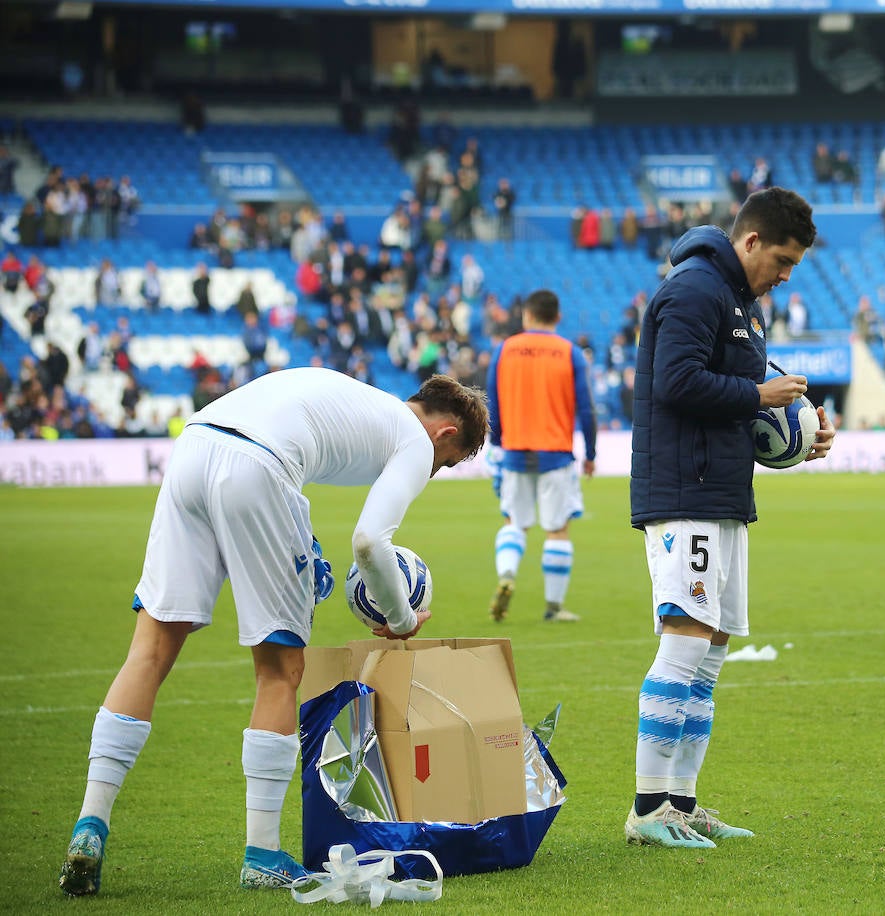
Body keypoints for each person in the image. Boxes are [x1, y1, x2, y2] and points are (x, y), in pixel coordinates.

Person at [58, 368, 489, 897]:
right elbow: (370, 542)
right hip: (258, 465)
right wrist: (400, 620)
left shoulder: (360, 398)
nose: (431, 472)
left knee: (148, 651)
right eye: (443, 466)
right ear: (446, 435)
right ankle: (262, 852)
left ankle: (90, 823)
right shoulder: (414, 440)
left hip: (194, 444)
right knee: (281, 671)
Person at [624, 187, 835, 849]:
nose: (786, 274)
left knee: (710, 656)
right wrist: (758, 394)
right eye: (782, 258)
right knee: (684, 645)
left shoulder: (742, 302)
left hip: (721, 495)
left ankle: (682, 804)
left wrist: (798, 437)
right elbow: (675, 383)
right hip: (683, 493)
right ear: (749, 243)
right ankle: (647, 809)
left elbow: (735, 406)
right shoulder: (694, 290)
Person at [485, 289, 598, 624]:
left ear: (526, 316)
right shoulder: (570, 353)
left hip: (516, 450)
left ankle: (507, 575)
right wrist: (590, 453)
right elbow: (586, 408)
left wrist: (498, 442)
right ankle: (553, 606)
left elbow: (493, 400)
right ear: (557, 317)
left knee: (513, 522)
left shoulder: (505, 350)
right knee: (557, 529)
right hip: (555, 453)